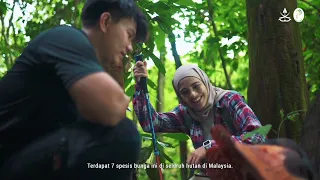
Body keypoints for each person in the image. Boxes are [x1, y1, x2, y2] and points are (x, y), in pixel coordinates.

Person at [0, 0, 148, 179]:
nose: (130, 47)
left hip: (24, 156)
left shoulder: (80, 70)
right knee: (122, 134)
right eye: (129, 34)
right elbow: (112, 107)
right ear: (106, 22)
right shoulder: (67, 38)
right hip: (8, 159)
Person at [133, 63, 266, 178]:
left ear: (205, 82)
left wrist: (209, 147)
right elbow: (151, 124)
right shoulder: (185, 113)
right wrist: (141, 86)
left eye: (196, 86)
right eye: (185, 92)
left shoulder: (230, 100)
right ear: (180, 97)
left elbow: (258, 136)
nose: (193, 95)